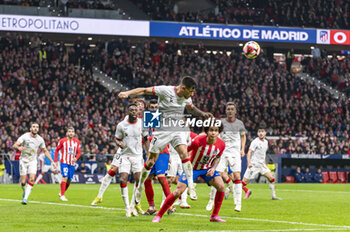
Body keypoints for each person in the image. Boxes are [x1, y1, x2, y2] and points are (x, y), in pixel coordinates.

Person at [118, 76, 213, 205]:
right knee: (151, 161)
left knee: (184, 153)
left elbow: (191, 108)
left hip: (177, 129)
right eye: (190, 91)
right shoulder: (165, 90)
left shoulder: (187, 97)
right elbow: (144, 90)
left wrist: (202, 114)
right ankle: (140, 186)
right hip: (162, 131)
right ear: (183, 88)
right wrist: (127, 93)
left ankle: (191, 185)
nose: (191, 94)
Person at [152, 120, 226, 223]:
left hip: (206, 169)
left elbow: (217, 158)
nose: (213, 133)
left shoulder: (221, 144)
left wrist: (213, 168)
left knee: (221, 186)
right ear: (206, 131)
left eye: (216, 130)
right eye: (211, 130)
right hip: (192, 169)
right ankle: (159, 215)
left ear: (219, 132)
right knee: (178, 191)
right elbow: (185, 150)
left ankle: (214, 216)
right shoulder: (198, 141)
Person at [91, 99, 147, 215]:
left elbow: (146, 136)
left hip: (137, 153)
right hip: (124, 152)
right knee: (114, 171)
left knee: (139, 180)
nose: (138, 108)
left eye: (140, 106)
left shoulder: (144, 121)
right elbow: (119, 136)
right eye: (137, 106)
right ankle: (100, 196)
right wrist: (119, 143)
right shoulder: (124, 122)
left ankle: (135, 204)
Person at [206, 102, 246, 212]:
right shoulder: (221, 123)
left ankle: (238, 204)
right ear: (226, 111)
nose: (230, 111)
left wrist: (242, 149)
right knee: (216, 176)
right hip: (222, 152)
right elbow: (215, 134)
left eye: (232, 109)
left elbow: (243, 136)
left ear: (235, 111)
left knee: (237, 176)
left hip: (235, 153)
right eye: (228, 109)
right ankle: (211, 200)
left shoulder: (240, 123)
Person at [12, 123, 56, 204]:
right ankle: (25, 192)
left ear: (38, 129)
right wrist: (18, 147)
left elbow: (45, 151)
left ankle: (25, 198)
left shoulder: (40, 139)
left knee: (32, 179)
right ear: (30, 129)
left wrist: (52, 161)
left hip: (32, 161)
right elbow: (14, 145)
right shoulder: (25, 136)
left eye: (37, 127)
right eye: (33, 127)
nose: (35, 128)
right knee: (23, 182)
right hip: (23, 160)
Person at [144, 100, 173, 215]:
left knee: (161, 177)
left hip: (162, 152)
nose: (154, 109)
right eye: (152, 107)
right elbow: (145, 138)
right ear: (149, 108)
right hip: (151, 153)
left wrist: (169, 153)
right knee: (147, 180)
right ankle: (152, 207)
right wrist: (147, 153)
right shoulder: (146, 121)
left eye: (156, 107)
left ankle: (170, 206)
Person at [242, 126, 282, 200]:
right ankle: (229, 189)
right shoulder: (255, 142)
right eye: (259, 131)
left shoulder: (266, 142)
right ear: (257, 133)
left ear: (265, 133)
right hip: (254, 165)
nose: (261, 133)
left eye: (262, 131)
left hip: (262, 165)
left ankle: (273, 196)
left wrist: (264, 164)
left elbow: (263, 154)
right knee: (244, 183)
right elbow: (249, 153)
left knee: (271, 178)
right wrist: (249, 163)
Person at [54, 127, 81, 201]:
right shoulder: (62, 141)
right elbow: (56, 150)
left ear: (74, 133)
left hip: (72, 163)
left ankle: (62, 192)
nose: (71, 133)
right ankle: (62, 195)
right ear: (67, 133)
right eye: (69, 131)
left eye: (72, 131)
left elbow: (79, 152)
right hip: (64, 162)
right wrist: (55, 161)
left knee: (69, 180)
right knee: (65, 177)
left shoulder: (77, 141)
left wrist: (76, 158)